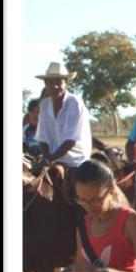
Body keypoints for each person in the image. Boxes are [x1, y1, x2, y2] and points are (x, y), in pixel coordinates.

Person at [33, 61, 92, 205]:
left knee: (78, 199)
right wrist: (47, 158)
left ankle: (82, 223)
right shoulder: (44, 104)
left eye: (59, 82)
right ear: (45, 84)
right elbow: (43, 138)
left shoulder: (75, 104)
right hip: (52, 157)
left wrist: (49, 160)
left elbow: (70, 141)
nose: (54, 86)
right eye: (50, 82)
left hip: (75, 160)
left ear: (66, 83)